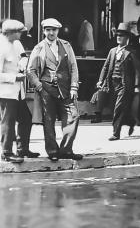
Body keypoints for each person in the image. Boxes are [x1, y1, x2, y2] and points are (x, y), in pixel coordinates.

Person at [26, 18, 83, 161]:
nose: (51, 33)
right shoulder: (39, 48)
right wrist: (38, 85)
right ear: (44, 31)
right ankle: (52, 151)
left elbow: (73, 67)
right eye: (48, 30)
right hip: (46, 89)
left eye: (54, 30)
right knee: (49, 121)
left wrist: (74, 87)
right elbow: (30, 70)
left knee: (73, 116)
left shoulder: (66, 45)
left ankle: (66, 150)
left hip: (65, 89)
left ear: (58, 30)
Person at [0, 20, 36, 163]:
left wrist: (23, 63)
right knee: (7, 122)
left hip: (18, 91)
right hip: (6, 92)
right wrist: (14, 77)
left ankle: (23, 149)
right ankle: (6, 151)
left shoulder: (16, 43)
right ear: (10, 33)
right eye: (19, 32)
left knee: (26, 118)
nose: (21, 34)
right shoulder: (1, 47)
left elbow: (23, 57)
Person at [97, 22, 139, 140]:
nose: (119, 37)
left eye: (122, 35)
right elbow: (105, 67)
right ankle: (130, 121)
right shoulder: (112, 51)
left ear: (127, 38)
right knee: (115, 108)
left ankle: (116, 133)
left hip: (125, 85)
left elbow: (137, 70)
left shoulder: (131, 52)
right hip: (112, 84)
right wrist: (101, 80)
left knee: (118, 108)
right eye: (118, 35)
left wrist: (136, 85)